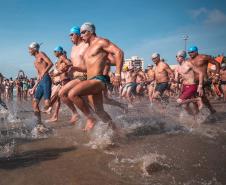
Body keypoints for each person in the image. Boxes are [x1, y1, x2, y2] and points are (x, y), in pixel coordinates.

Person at [68, 22, 123, 131]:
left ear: (90, 32)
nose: (81, 35)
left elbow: (118, 52)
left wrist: (117, 73)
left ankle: (90, 118)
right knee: (99, 111)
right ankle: (116, 131)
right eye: (80, 33)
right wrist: (75, 68)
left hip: (98, 80)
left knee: (72, 94)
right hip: (91, 80)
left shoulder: (101, 42)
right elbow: (87, 69)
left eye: (83, 32)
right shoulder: (88, 49)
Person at [58, 26, 88, 124]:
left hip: (84, 76)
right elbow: (74, 64)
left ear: (78, 34)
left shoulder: (86, 45)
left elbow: (90, 63)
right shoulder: (73, 47)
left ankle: (78, 114)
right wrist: (67, 67)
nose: (70, 37)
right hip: (75, 77)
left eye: (72, 34)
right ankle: (89, 118)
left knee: (62, 93)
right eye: (69, 35)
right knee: (86, 103)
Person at [187, 46, 220, 114]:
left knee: (198, 96)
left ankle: (198, 112)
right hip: (194, 81)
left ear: (196, 51)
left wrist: (217, 75)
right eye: (189, 52)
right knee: (199, 96)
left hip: (204, 80)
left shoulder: (204, 57)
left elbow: (217, 63)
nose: (190, 54)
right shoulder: (189, 60)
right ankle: (210, 109)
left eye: (192, 52)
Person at [28, 42, 53, 131]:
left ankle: (50, 105)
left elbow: (50, 63)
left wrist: (44, 72)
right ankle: (39, 124)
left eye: (30, 49)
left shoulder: (41, 54)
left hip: (46, 79)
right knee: (34, 104)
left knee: (47, 103)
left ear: (34, 48)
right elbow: (38, 76)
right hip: (41, 82)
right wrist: (33, 87)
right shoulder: (35, 62)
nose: (28, 51)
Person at [47, 46, 71, 122]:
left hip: (65, 80)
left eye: (55, 51)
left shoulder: (62, 57)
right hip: (61, 81)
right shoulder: (59, 59)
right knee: (58, 100)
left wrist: (62, 71)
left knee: (59, 99)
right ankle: (55, 116)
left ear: (59, 51)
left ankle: (76, 113)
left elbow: (70, 64)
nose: (54, 53)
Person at [174, 50, 204, 114]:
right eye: (176, 57)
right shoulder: (177, 67)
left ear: (183, 57)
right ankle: (194, 116)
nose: (177, 58)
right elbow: (176, 79)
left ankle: (198, 99)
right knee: (184, 106)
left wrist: (200, 85)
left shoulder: (188, 64)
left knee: (179, 101)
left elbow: (200, 73)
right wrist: (173, 80)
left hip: (191, 86)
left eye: (179, 56)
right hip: (184, 87)